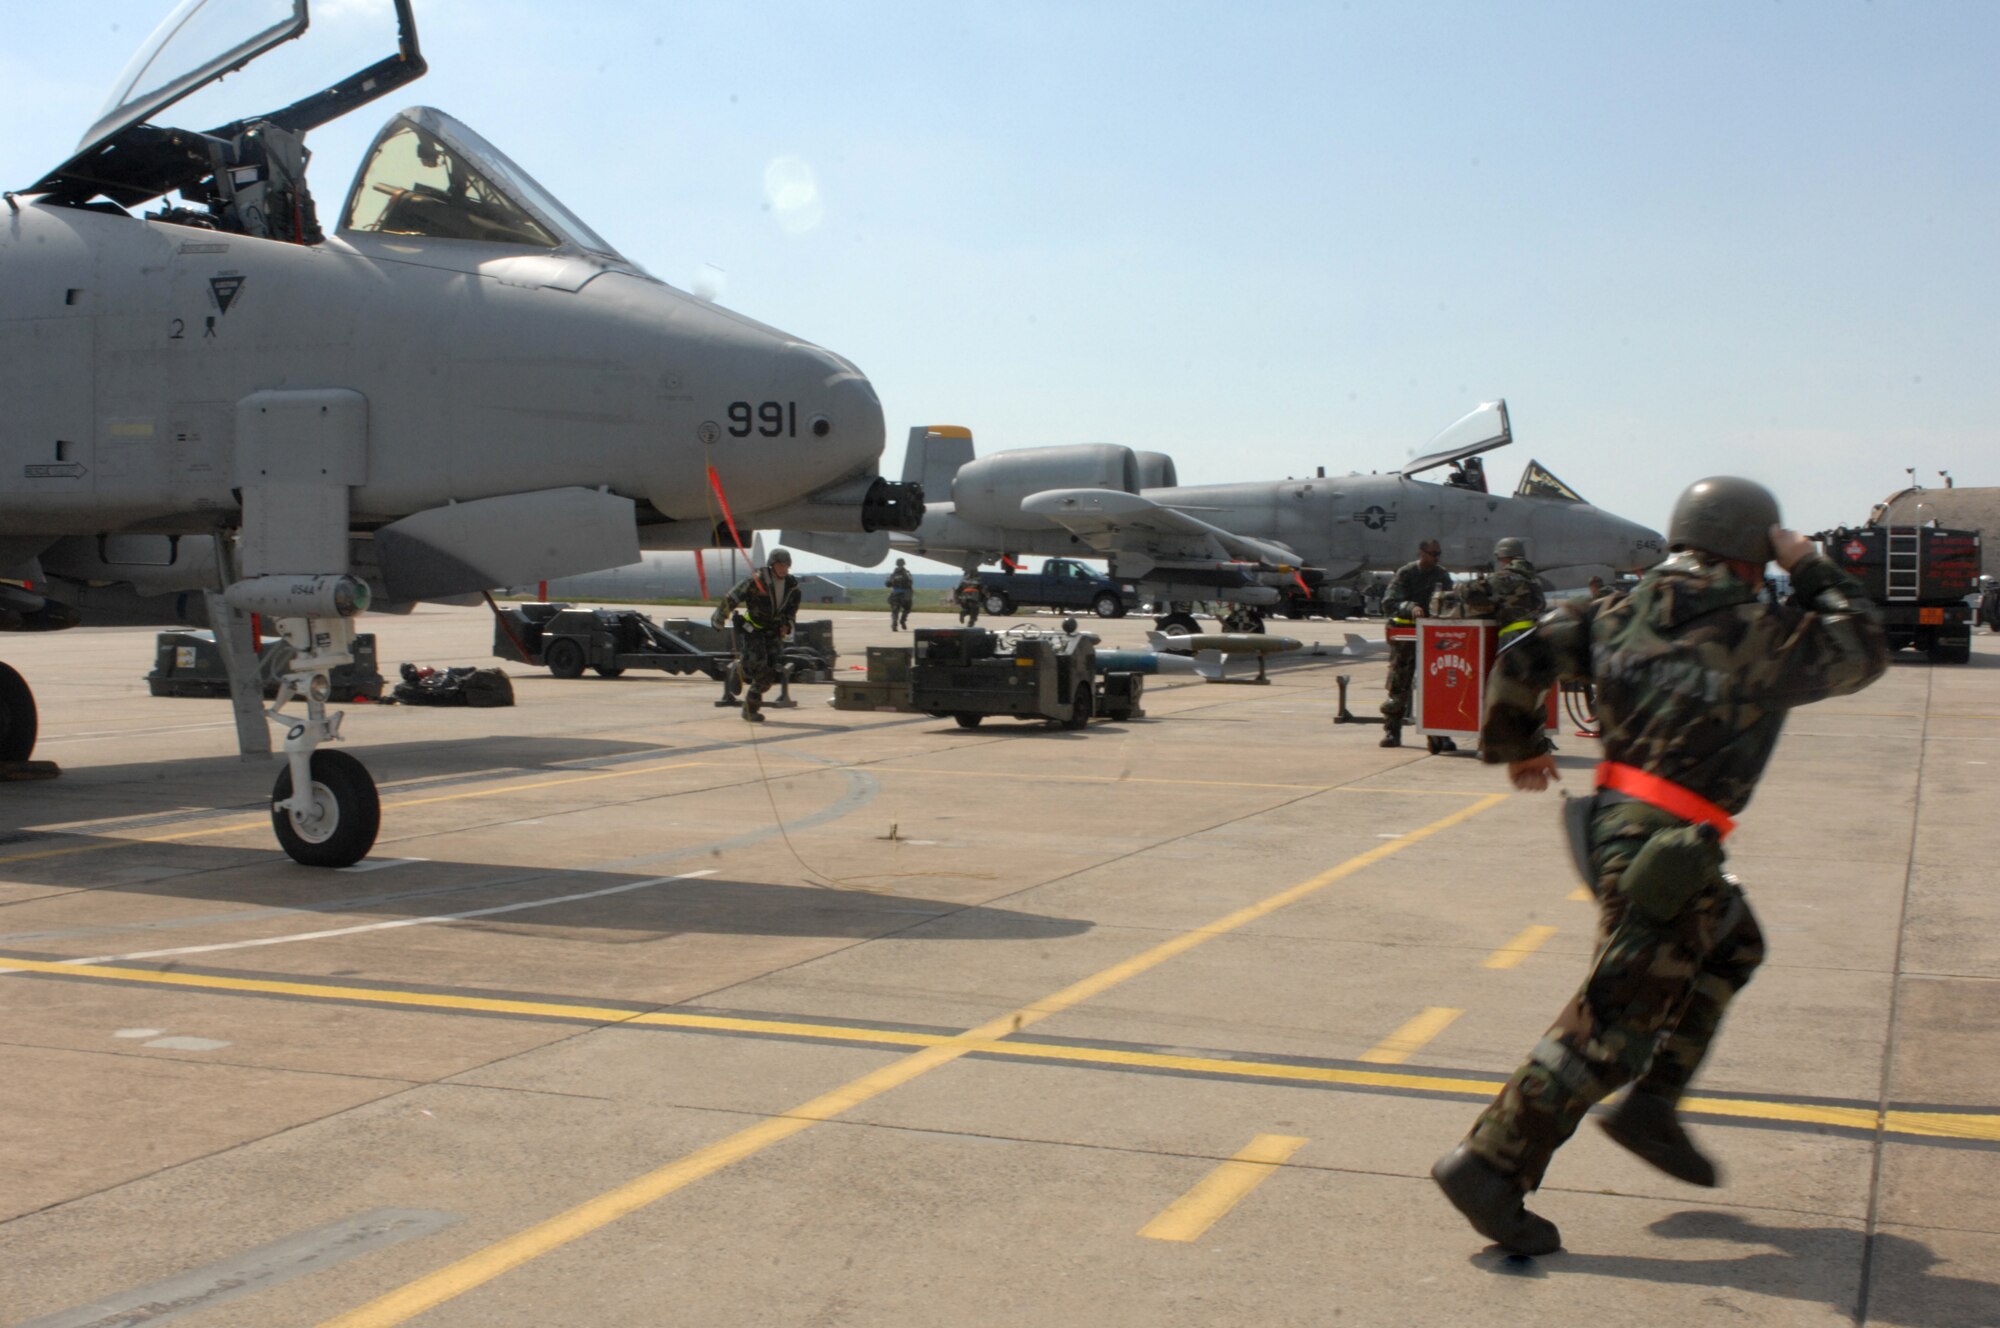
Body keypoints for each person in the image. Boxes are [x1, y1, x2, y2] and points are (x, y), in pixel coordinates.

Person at [1431, 477, 1887, 1256]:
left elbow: (1523, 653)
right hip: (1666, 849)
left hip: (1620, 824)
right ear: (1752, 552)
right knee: (1611, 1025)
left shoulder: (1614, 610)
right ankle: (1489, 1165)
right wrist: (1810, 565)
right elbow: (1865, 646)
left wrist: (1519, 745)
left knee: (1734, 945)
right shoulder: (1761, 631)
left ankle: (1654, 1107)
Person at [710, 547, 803, 723]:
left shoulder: (792, 587)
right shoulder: (757, 581)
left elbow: (792, 610)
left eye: (786, 565)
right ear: (772, 564)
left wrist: (787, 625)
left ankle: (750, 709)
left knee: (768, 675)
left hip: (773, 632)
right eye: (780, 565)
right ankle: (740, 669)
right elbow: (732, 597)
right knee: (755, 665)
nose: (784, 569)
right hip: (753, 629)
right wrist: (719, 618)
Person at [1379, 538, 1453, 748]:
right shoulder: (1406, 573)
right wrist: (1410, 607)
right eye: (1432, 554)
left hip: (1433, 641)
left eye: (1438, 554)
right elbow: (1388, 603)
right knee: (1398, 686)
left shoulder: (1441, 575)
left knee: (1437, 688)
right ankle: (1392, 731)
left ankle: (1439, 733)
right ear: (1421, 553)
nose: (1436, 558)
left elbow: (1449, 602)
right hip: (1406, 640)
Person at [886, 558, 915, 631]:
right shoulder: (907, 573)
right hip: (905, 594)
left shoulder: (893, 574)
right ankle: (902, 620)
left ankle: (894, 624)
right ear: (904, 564)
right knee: (907, 609)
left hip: (895, 593)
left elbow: (887, 584)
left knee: (895, 610)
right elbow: (910, 582)